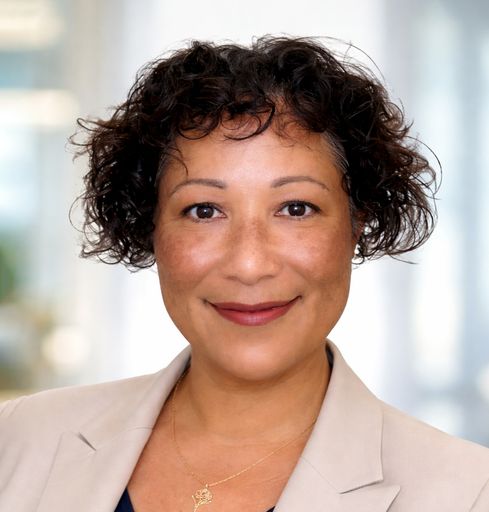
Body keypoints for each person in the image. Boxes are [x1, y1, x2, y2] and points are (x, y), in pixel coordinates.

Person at [1, 36, 488, 512]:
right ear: (150, 225)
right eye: (204, 210)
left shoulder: (468, 493)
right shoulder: (17, 440)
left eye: (296, 208)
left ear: (357, 222)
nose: (249, 264)